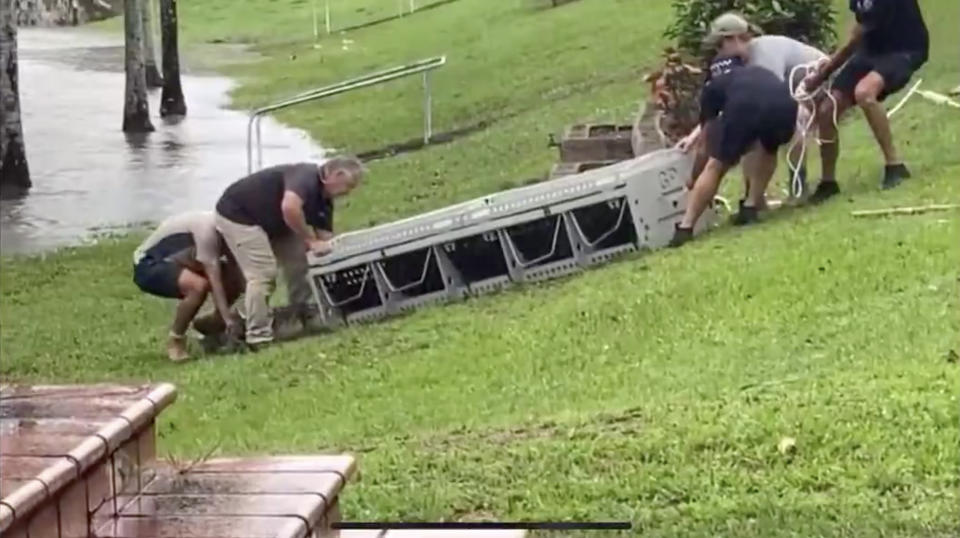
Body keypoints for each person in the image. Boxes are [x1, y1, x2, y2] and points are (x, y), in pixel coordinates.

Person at [215, 156, 364, 347]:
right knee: (263, 274)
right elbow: (290, 207)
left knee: (302, 261)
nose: (348, 193)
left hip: (274, 219)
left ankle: (302, 314)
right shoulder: (306, 177)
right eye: (348, 186)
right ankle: (258, 335)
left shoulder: (324, 200)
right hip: (240, 215)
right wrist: (310, 240)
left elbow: (326, 239)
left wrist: (334, 255)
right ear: (337, 175)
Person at [679, 13, 829, 200]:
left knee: (797, 118)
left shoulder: (764, 55)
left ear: (734, 38)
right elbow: (724, 107)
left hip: (823, 86)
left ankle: (798, 186)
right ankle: (753, 197)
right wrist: (694, 136)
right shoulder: (742, 62)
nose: (718, 53)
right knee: (752, 131)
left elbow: (775, 98)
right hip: (794, 89)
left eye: (719, 45)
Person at [803, 0, 928, 202]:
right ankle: (828, 183)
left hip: (903, 50)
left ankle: (895, 166)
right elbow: (858, 24)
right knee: (828, 109)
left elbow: (855, 38)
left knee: (865, 93)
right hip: (871, 51)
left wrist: (824, 74)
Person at [669, 53, 798, 248]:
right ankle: (751, 206)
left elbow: (705, 143)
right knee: (768, 148)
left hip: (743, 106)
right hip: (784, 103)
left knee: (717, 165)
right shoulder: (757, 71)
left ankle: (685, 228)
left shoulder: (712, 88)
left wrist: (694, 179)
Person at [133, 211, 244, 361]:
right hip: (148, 263)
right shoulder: (206, 229)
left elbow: (237, 269)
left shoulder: (232, 231)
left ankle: (211, 324)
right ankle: (176, 340)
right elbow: (214, 277)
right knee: (198, 286)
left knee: (234, 279)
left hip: (184, 260)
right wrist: (228, 319)